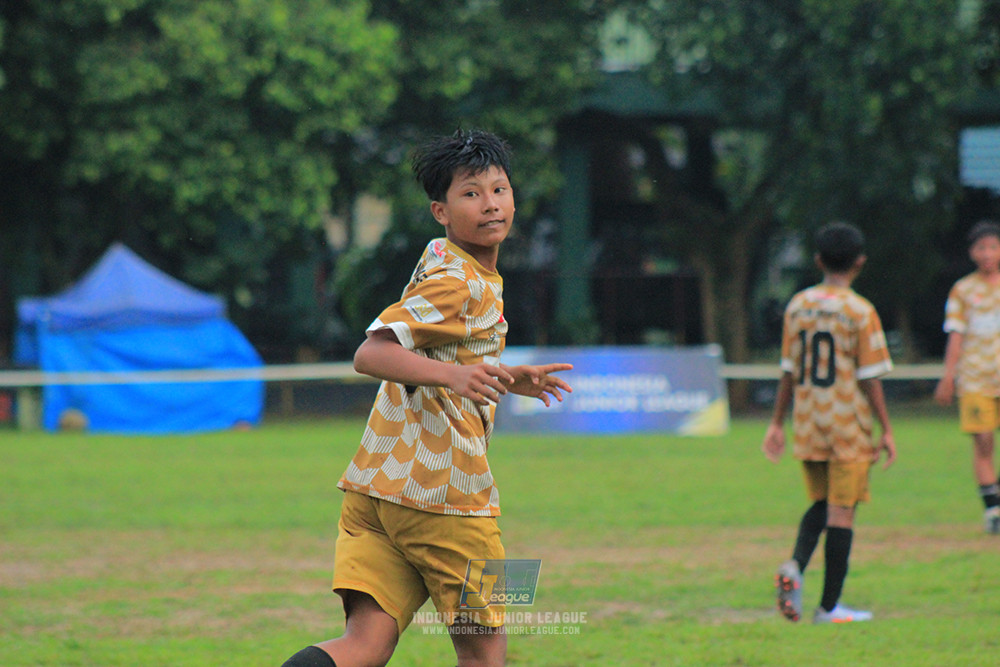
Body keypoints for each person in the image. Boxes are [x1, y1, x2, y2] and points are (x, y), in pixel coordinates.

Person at [279, 129, 573, 667]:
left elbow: (441, 352)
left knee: (363, 646)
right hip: (450, 498)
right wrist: (458, 381)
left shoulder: (441, 256)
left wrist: (503, 376)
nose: (490, 204)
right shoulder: (462, 282)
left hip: (375, 488)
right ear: (440, 210)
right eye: (470, 194)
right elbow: (371, 354)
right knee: (487, 656)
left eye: (499, 189)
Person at [761, 221, 896, 624]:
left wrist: (775, 423)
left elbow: (788, 369)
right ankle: (829, 608)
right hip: (847, 424)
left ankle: (795, 567)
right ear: (860, 262)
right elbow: (870, 377)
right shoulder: (860, 310)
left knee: (822, 503)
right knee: (842, 511)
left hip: (808, 421)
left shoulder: (798, 304)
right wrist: (886, 428)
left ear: (818, 260)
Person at [934, 219, 1000, 535]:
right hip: (975, 378)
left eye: (992, 247)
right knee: (984, 442)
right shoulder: (963, 290)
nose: (987, 253)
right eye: (981, 248)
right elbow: (955, 335)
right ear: (972, 252)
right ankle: (993, 511)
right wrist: (949, 376)